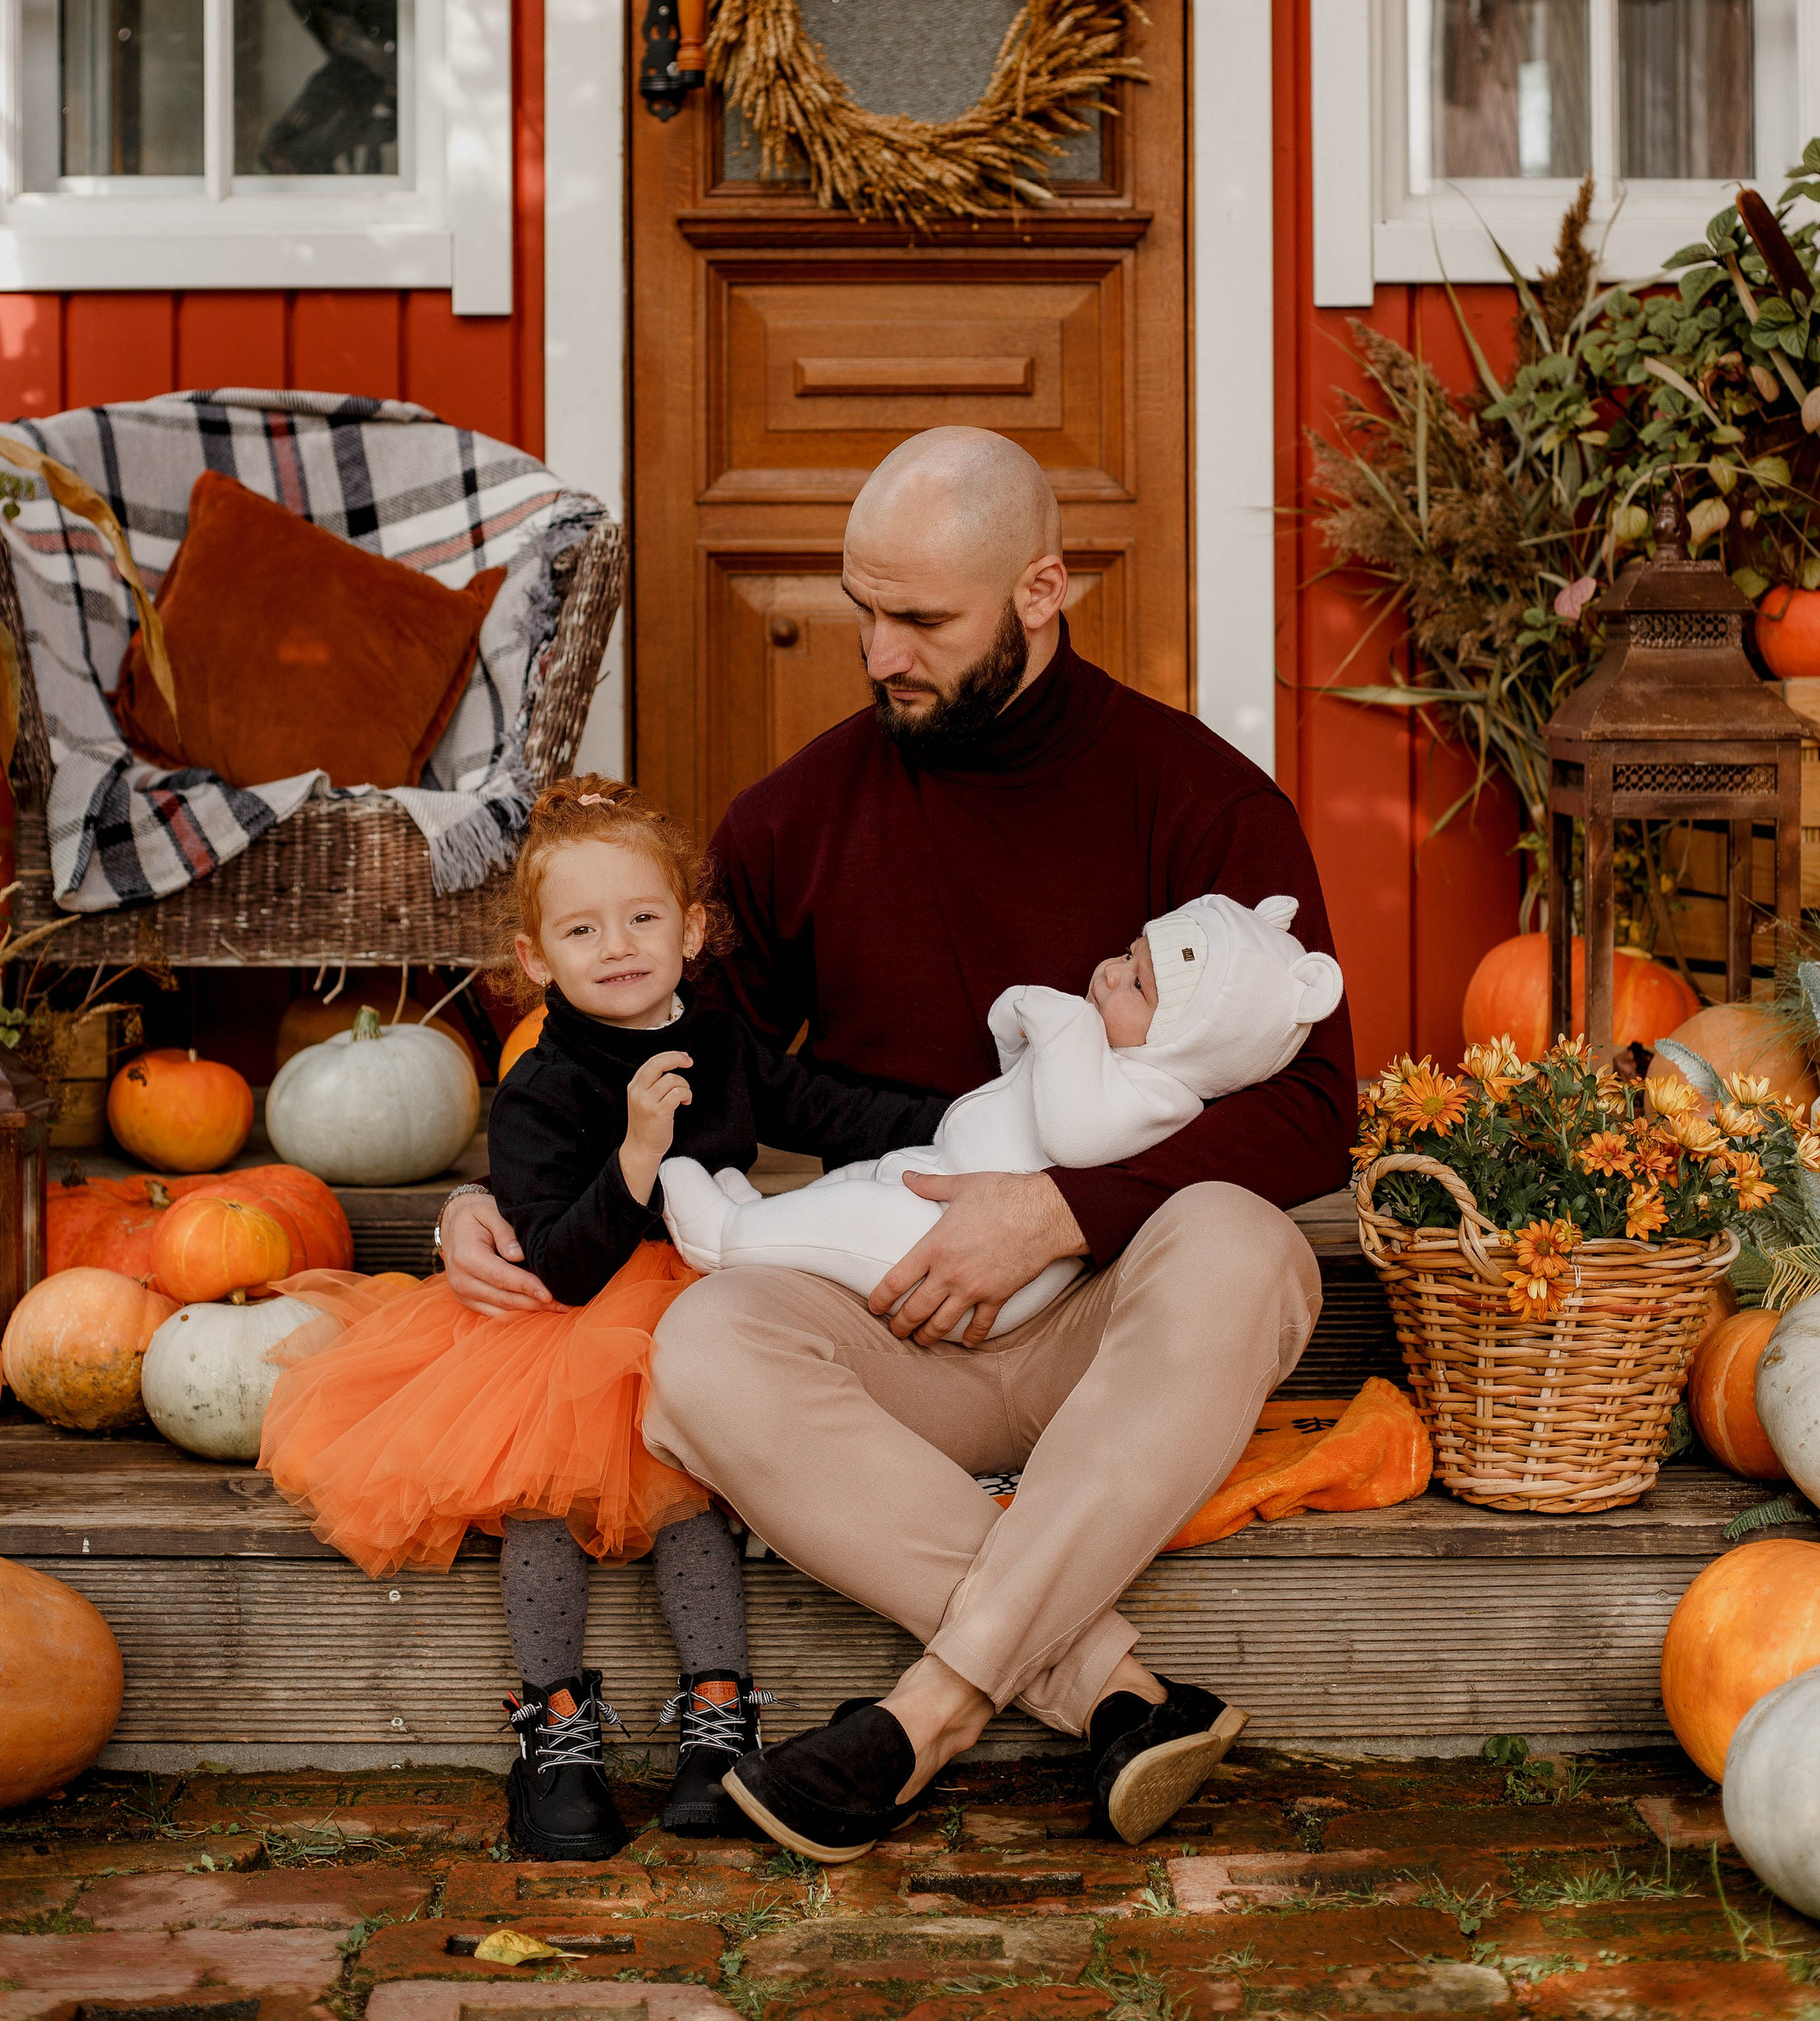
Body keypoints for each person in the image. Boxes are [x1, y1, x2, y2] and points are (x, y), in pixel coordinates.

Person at [439, 427, 1355, 1860]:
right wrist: (492, 1190)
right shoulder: (794, 820)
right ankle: (1110, 1694)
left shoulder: (1200, 801)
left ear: (1042, 589)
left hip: (1114, 1330)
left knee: (1243, 1243)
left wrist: (1061, 1209)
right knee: (701, 1352)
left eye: (922, 619)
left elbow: (1315, 1110)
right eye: (863, 609)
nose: (878, 654)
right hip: (886, 1321)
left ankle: (927, 1713)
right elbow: (649, 1053)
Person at [259, 777, 948, 1858]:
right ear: (535, 958)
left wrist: (974, 1125)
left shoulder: (721, 1043)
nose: (617, 947)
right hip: (563, 1326)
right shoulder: (542, 1086)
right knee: (540, 1498)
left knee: (690, 1502)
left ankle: (717, 1723)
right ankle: (555, 1734)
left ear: (692, 930)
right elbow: (562, 1265)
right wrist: (636, 1157)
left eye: (642, 918)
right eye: (581, 930)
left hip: (704, 1304)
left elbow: (834, 1109)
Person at [658, 892, 1344, 1335]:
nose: (1110, 973)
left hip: (973, 1258)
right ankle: (762, 1215)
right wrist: (1023, 1028)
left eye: (1138, 984)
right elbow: (1023, 1078)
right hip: (941, 1173)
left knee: (852, 1218)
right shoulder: (1118, 1053)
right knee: (853, 1185)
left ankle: (726, 1237)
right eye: (1127, 954)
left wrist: (1060, 1022)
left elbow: (1076, 1136)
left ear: (1189, 1041)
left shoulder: (1163, 1096)